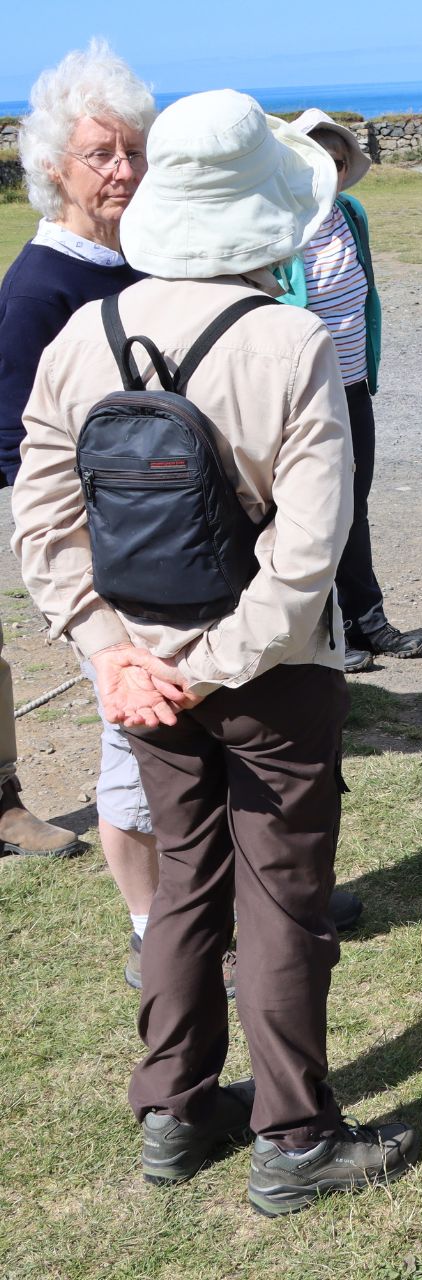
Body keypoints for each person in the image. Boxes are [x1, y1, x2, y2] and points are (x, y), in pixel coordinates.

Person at [12, 89, 417, 1214]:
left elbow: (42, 525)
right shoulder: (291, 341)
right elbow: (309, 549)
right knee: (283, 896)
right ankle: (294, 1136)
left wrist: (113, 656)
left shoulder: (81, 338)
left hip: (143, 667)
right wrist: (217, 658)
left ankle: (173, 1107)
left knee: (186, 877)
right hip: (269, 670)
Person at [0, 40, 144, 868]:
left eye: (132, 151)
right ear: (57, 168)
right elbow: (21, 443)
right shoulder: (40, 287)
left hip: (149, 521)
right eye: (100, 154)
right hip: (97, 535)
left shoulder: (134, 261)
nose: (121, 170)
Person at [277, 109, 422, 674]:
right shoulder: (279, 224)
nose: (331, 173)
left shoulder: (350, 215)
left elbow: (366, 299)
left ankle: (367, 619)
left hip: (353, 384)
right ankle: (328, 628)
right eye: (319, 161)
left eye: (339, 163)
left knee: (354, 502)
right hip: (302, 393)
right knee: (312, 508)